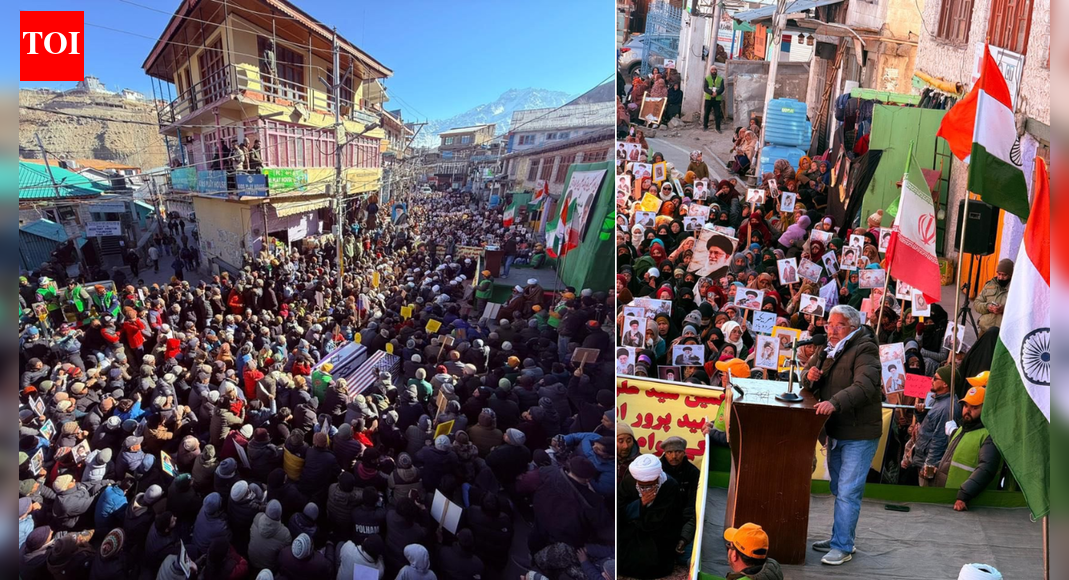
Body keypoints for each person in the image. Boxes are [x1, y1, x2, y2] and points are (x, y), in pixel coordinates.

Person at [801, 305, 881, 566]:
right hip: (835, 430)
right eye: (829, 325)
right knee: (839, 488)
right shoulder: (825, 349)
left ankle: (843, 546)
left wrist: (834, 402)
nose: (832, 330)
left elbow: (865, 386)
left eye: (839, 325)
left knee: (848, 491)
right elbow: (804, 377)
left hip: (860, 433)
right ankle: (841, 537)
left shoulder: (865, 348)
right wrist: (809, 376)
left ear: (853, 327)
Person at [933, 380, 1003, 510]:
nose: (967, 411)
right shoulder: (962, 429)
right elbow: (953, 459)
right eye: (966, 406)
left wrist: (964, 496)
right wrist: (936, 468)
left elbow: (986, 469)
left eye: (974, 407)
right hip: (951, 500)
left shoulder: (990, 436)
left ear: (985, 409)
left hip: (970, 505)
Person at [618, 453, 687, 579]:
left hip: (657, 534)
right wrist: (640, 504)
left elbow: (667, 519)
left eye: (650, 485)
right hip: (631, 529)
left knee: (648, 563)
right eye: (643, 486)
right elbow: (619, 510)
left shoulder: (670, 486)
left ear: (657, 477)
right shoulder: (629, 481)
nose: (646, 489)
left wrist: (641, 514)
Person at [911, 366, 956, 487]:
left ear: (945, 384)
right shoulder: (936, 400)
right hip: (922, 458)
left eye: (935, 378)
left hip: (928, 463)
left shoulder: (947, 408)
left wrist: (929, 465)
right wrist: (920, 413)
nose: (931, 380)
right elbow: (929, 426)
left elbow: (940, 440)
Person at [972, 258, 1013, 335]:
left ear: (1011, 275)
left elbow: (1020, 311)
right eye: (999, 274)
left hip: (1003, 333)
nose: (1001, 277)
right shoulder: (989, 285)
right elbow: (976, 304)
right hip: (985, 329)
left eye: (1004, 275)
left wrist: (1004, 309)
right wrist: (988, 307)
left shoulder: (1016, 289)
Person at [702, 65, 725, 132]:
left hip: (717, 99)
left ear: (716, 71)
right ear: (710, 71)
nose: (714, 71)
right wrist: (711, 93)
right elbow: (705, 88)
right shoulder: (707, 78)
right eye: (712, 69)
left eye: (715, 69)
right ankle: (705, 126)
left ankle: (718, 128)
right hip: (708, 98)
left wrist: (716, 93)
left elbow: (722, 88)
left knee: (717, 114)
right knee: (706, 113)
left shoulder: (721, 79)